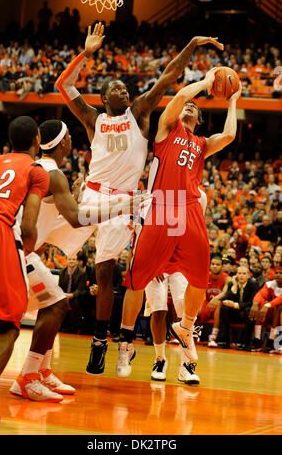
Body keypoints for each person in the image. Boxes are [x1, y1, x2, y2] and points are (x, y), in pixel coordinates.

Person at [55, 21, 224, 374]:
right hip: (93, 198)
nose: (120, 88)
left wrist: (191, 44)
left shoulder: (140, 113)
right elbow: (63, 84)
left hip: (131, 201)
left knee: (133, 275)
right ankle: (103, 337)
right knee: (79, 260)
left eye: (123, 87)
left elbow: (168, 77)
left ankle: (128, 345)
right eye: (112, 86)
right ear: (103, 98)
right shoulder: (91, 118)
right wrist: (86, 55)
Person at [116, 68, 242, 378]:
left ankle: (185, 328)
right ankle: (126, 341)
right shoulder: (166, 130)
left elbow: (228, 136)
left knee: (200, 278)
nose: (189, 107)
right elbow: (183, 95)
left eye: (195, 109)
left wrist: (233, 101)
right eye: (188, 105)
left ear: (199, 120)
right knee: (138, 279)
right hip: (162, 206)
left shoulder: (201, 144)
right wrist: (208, 81)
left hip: (188, 209)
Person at [10, 119, 147, 401]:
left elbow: (54, 219)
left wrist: (71, 198)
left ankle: (41, 371)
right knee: (57, 304)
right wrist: (122, 206)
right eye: (70, 136)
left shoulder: (42, 170)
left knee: (53, 304)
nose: (73, 140)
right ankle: (27, 376)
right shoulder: (52, 174)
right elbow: (76, 219)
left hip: (17, 249)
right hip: (10, 251)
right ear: (63, 143)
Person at [0, 116, 50, 425]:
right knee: (9, 324)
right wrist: (28, 253)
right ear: (38, 140)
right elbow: (28, 225)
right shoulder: (36, 171)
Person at [144, 189, 207, 384]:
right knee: (159, 310)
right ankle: (160, 360)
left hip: (180, 260)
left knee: (185, 309)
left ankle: (186, 367)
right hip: (155, 258)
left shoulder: (200, 196)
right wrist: (153, 263)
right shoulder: (152, 194)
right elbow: (143, 232)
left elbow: (193, 232)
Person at [217, 266, 259, 350]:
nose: (241, 276)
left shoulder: (254, 284)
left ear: (248, 275)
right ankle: (225, 341)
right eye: (239, 273)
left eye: (244, 274)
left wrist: (236, 305)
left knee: (249, 310)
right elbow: (226, 299)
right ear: (236, 275)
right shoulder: (231, 284)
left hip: (245, 313)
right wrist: (235, 286)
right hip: (234, 314)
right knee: (223, 309)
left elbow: (251, 302)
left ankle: (246, 343)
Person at [196, 253, 230, 348]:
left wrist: (216, 298)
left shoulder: (227, 278)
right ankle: (192, 333)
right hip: (207, 303)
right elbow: (202, 293)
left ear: (222, 266)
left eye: (217, 264)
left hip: (218, 306)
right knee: (196, 307)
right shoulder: (206, 276)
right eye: (213, 264)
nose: (215, 266)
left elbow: (225, 291)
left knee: (219, 304)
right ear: (210, 265)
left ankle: (213, 337)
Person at [249, 266, 282, 352]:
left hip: (280, 316)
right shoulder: (269, 284)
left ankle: (271, 340)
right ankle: (257, 339)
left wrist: (268, 305)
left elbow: (280, 299)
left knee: (278, 307)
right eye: (277, 273)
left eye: (281, 273)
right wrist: (255, 303)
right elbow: (260, 294)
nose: (278, 275)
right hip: (270, 313)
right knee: (259, 304)